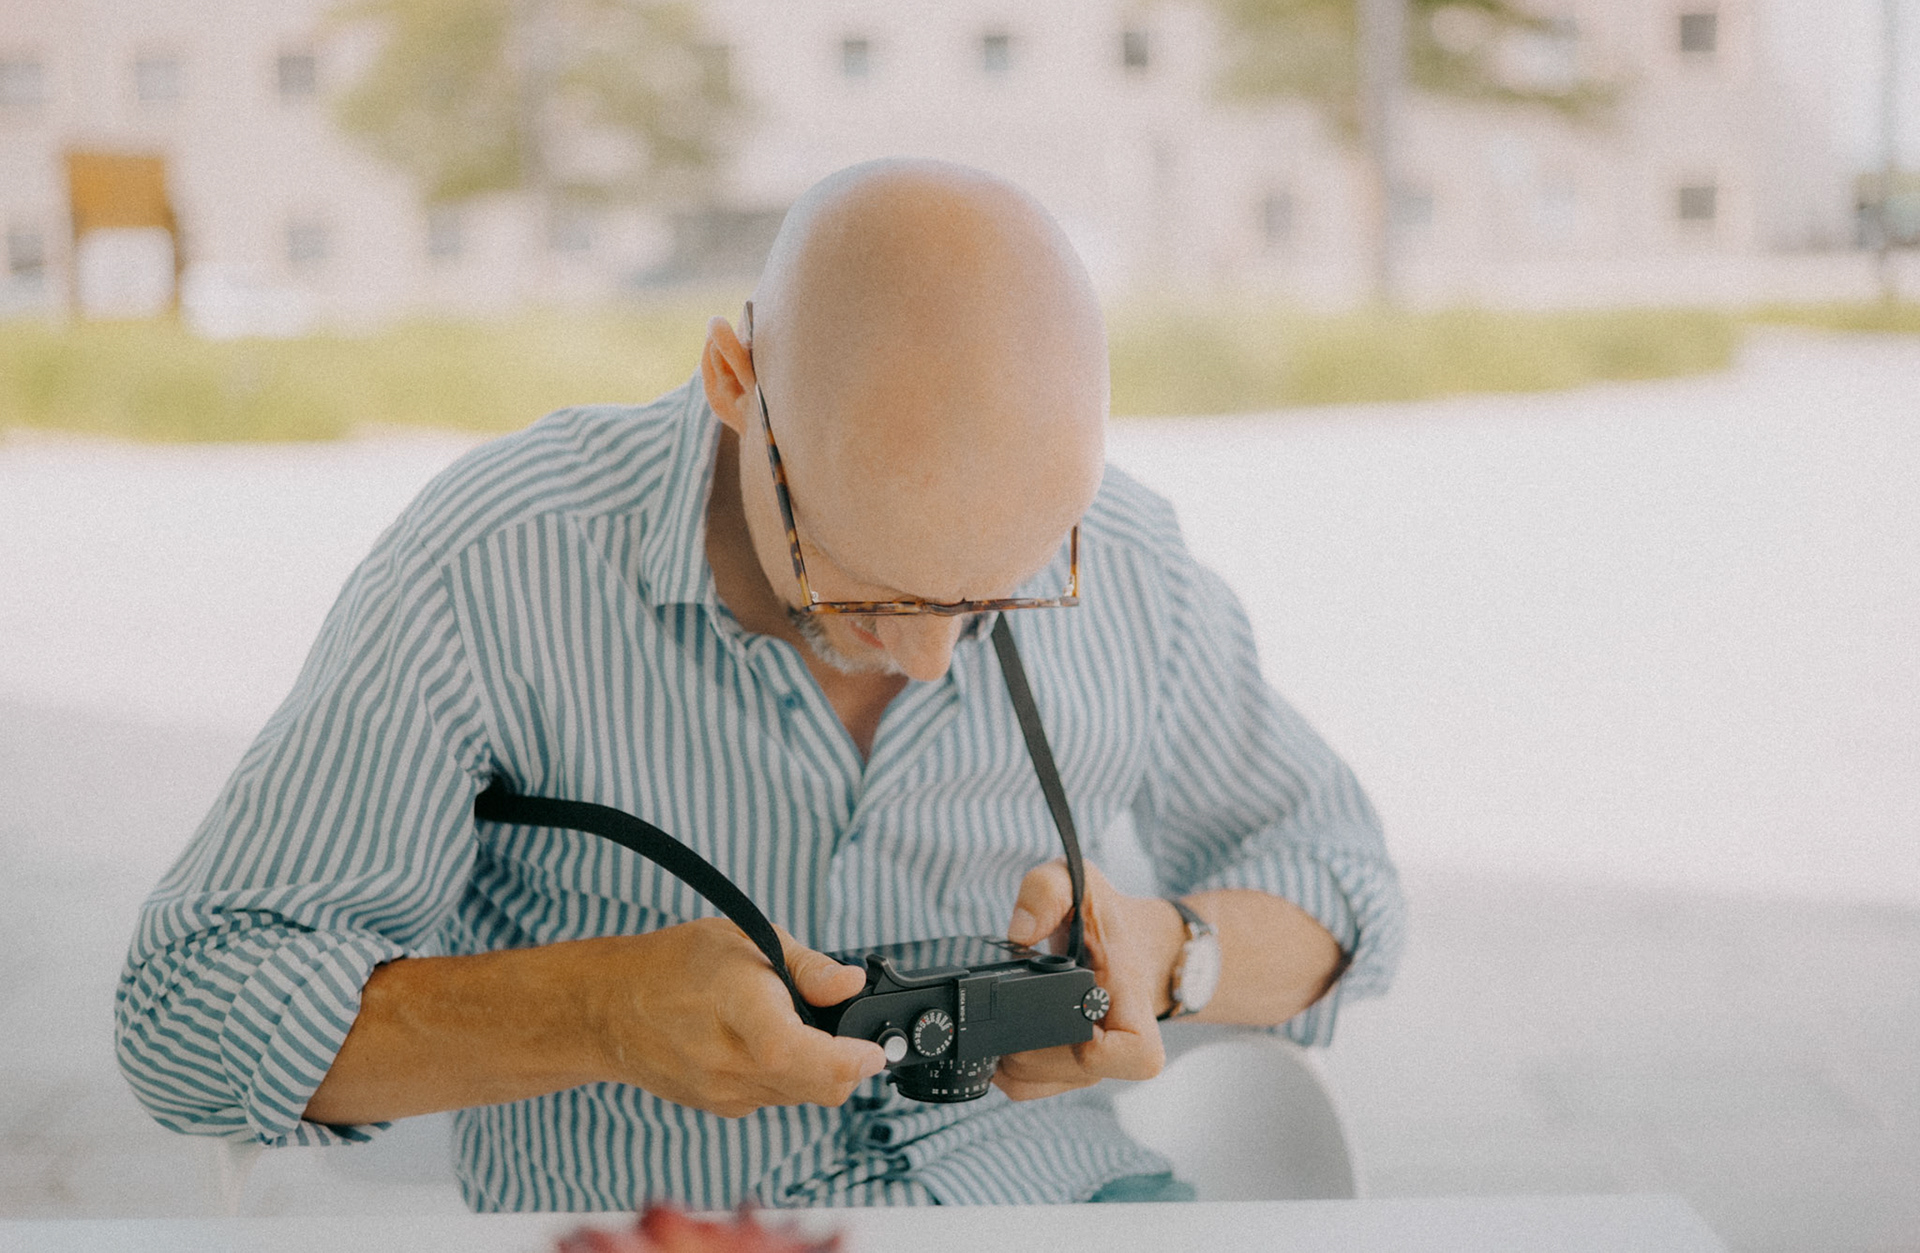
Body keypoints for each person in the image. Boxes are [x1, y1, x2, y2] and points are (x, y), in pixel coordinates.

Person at [116, 159, 1404, 1210]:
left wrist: (1171, 954)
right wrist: (601, 1011)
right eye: (868, 587)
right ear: (737, 383)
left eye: (1000, 589)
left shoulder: (1127, 555)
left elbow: (1339, 878)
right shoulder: (495, 564)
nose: (931, 658)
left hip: (1053, 1207)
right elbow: (186, 1012)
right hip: (660, 1233)